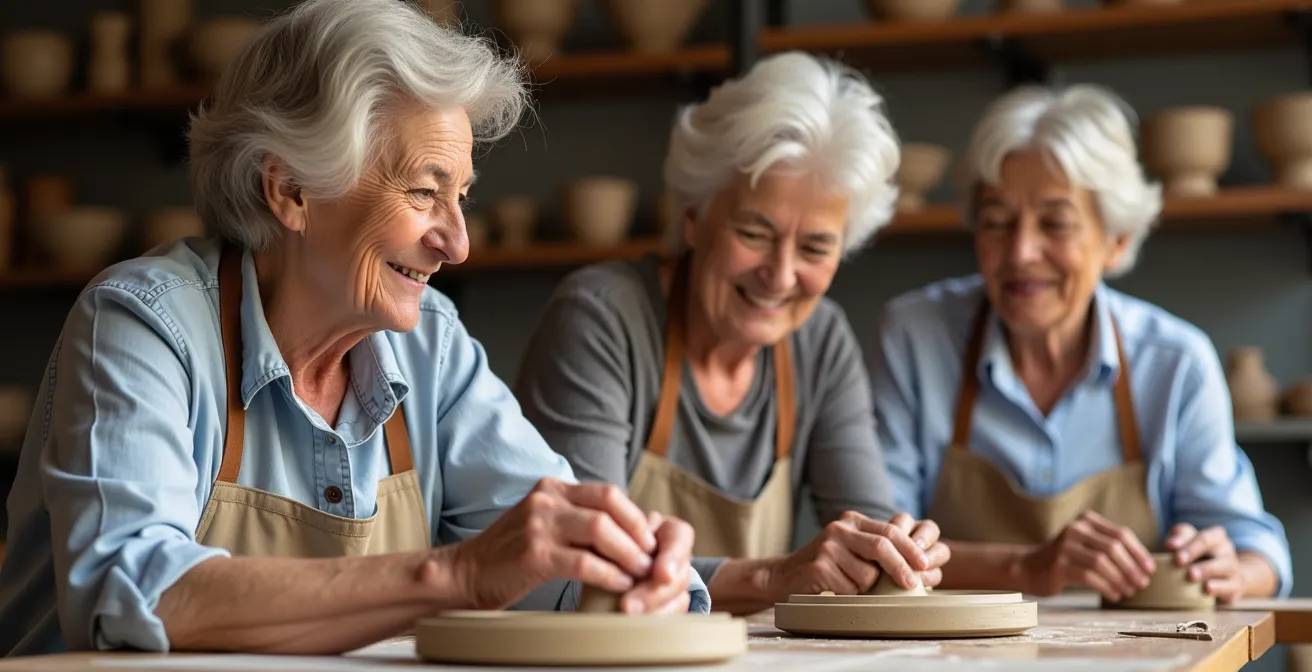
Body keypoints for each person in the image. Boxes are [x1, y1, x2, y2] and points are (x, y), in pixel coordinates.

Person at [0, 0, 708, 657]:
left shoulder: (431, 345)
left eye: (461, 196)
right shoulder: (143, 323)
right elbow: (130, 590)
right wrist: (456, 575)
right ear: (291, 191)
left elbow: (544, 564)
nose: (457, 243)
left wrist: (628, 569)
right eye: (425, 192)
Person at [513, 51, 950, 616]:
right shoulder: (603, 317)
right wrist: (775, 575)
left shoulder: (821, 341)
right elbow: (586, 565)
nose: (781, 275)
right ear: (692, 214)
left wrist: (892, 552)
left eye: (816, 247)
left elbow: (865, 527)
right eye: (754, 232)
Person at [867, 83, 1293, 604]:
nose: (1021, 251)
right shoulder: (914, 337)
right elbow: (878, 545)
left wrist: (1230, 569)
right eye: (998, 222)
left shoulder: (1176, 363)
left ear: (1116, 240)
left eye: (1055, 223)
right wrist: (1029, 567)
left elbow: (1259, 552)